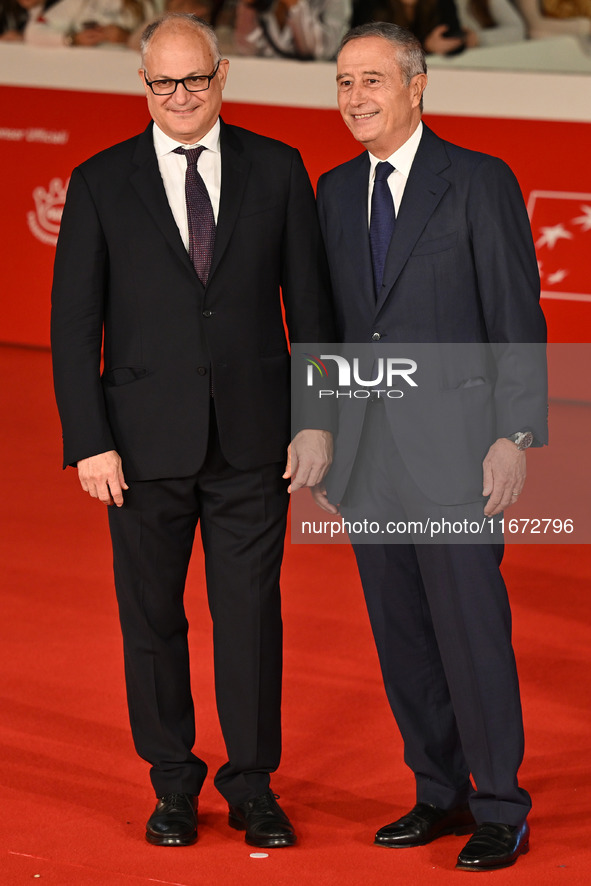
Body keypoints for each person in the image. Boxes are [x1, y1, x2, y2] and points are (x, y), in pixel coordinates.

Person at [51, 12, 334, 849]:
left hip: (256, 444)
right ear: (143, 85)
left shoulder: (278, 169)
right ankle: (172, 784)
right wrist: (89, 439)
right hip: (138, 449)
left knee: (250, 618)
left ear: (222, 77)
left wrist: (318, 420)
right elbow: (75, 325)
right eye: (162, 82)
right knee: (152, 621)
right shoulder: (100, 180)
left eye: (195, 79)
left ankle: (253, 787)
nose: (179, 96)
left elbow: (312, 313)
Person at [313, 22, 547, 872]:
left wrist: (512, 434)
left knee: (471, 634)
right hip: (368, 459)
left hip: (458, 450)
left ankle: (499, 805)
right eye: (343, 82)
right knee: (402, 635)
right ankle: (437, 791)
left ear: (417, 87)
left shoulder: (478, 182)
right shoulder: (332, 191)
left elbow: (517, 320)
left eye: (372, 80)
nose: (355, 98)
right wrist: (327, 437)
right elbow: (332, 327)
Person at [233, 0, 351, 59]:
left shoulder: (335, 2)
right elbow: (246, 49)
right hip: (264, 86)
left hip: (314, 90)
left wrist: (295, 5)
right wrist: (250, 8)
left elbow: (321, 52)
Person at [351, 0, 467, 56]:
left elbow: (454, 40)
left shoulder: (442, 3)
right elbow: (364, 48)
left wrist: (463, 38)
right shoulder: (369, 4)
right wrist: (425, 47)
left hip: (434, 76)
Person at [17, 0, 152, 47]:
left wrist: (127, 39)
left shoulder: (143, 4)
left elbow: (160, 43)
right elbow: (34, 33)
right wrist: (74, 39)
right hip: (81, 77)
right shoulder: (79, 2)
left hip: (123, 81)